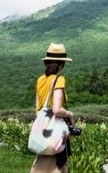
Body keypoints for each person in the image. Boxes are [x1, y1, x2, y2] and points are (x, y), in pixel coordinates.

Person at [30, 43, 75, 173]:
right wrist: (69, 114)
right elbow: (56, 109)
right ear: (62, 64)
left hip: (43, 131)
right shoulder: (58, 80)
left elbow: (38, 109)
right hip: (55, 132)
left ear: (46, 63)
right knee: (57, 165)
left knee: (41, 163)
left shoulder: (40, 80)